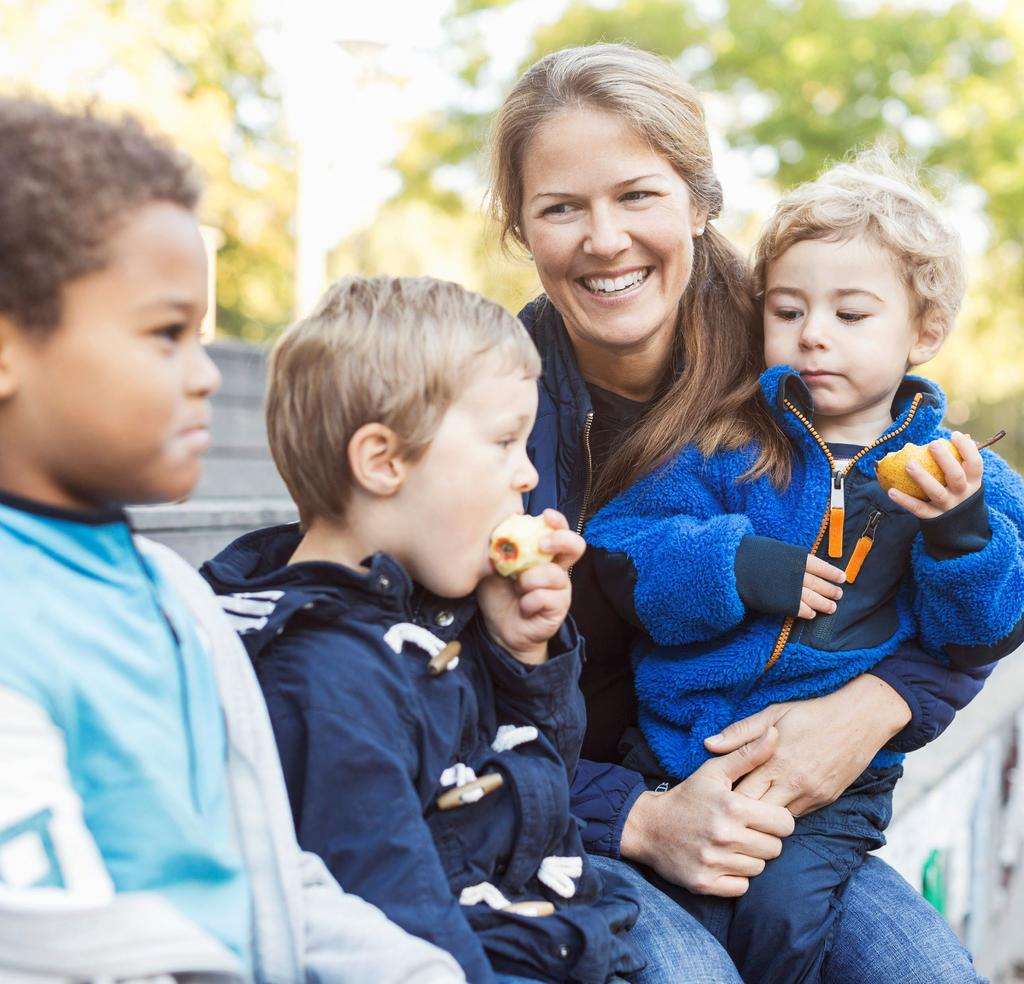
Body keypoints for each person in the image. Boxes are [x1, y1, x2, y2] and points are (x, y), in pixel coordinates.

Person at [487, 42, 999, 980]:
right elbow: (451, 699)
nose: (604, 240)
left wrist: (869, 712)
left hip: (794, 803)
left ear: (700, 200)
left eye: (637, 194)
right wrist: (637, 819)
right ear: (523, 229)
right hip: (588, 798)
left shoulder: (809, 358)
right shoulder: (490, 403)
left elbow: (964, 604)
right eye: (562, 208)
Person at [0, 96, 463, 983]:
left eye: (205, 338)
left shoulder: (173, 595)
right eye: (166, 335)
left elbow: (262, 871)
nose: (208, 376)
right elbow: (52, 944)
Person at [584, 150, 1024, 982]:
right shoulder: (726, 448)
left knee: (785, 919)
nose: (813, 333)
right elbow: (620, 546)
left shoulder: (963, 477)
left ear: (922, 333)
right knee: (697, 922)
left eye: (851, 314)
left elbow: (984, 632)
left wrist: (960, 535)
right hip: (679, 752)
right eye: (788, 310)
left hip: (831, 791)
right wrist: (733, 563)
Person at [200, 276, 646, 984]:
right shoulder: (325, 677)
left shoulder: (432, 614)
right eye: (504, 441)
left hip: (550, 924)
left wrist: (523, 655)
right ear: (383, 462)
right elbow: (398, 919)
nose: (527, 474)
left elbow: (538, 798)